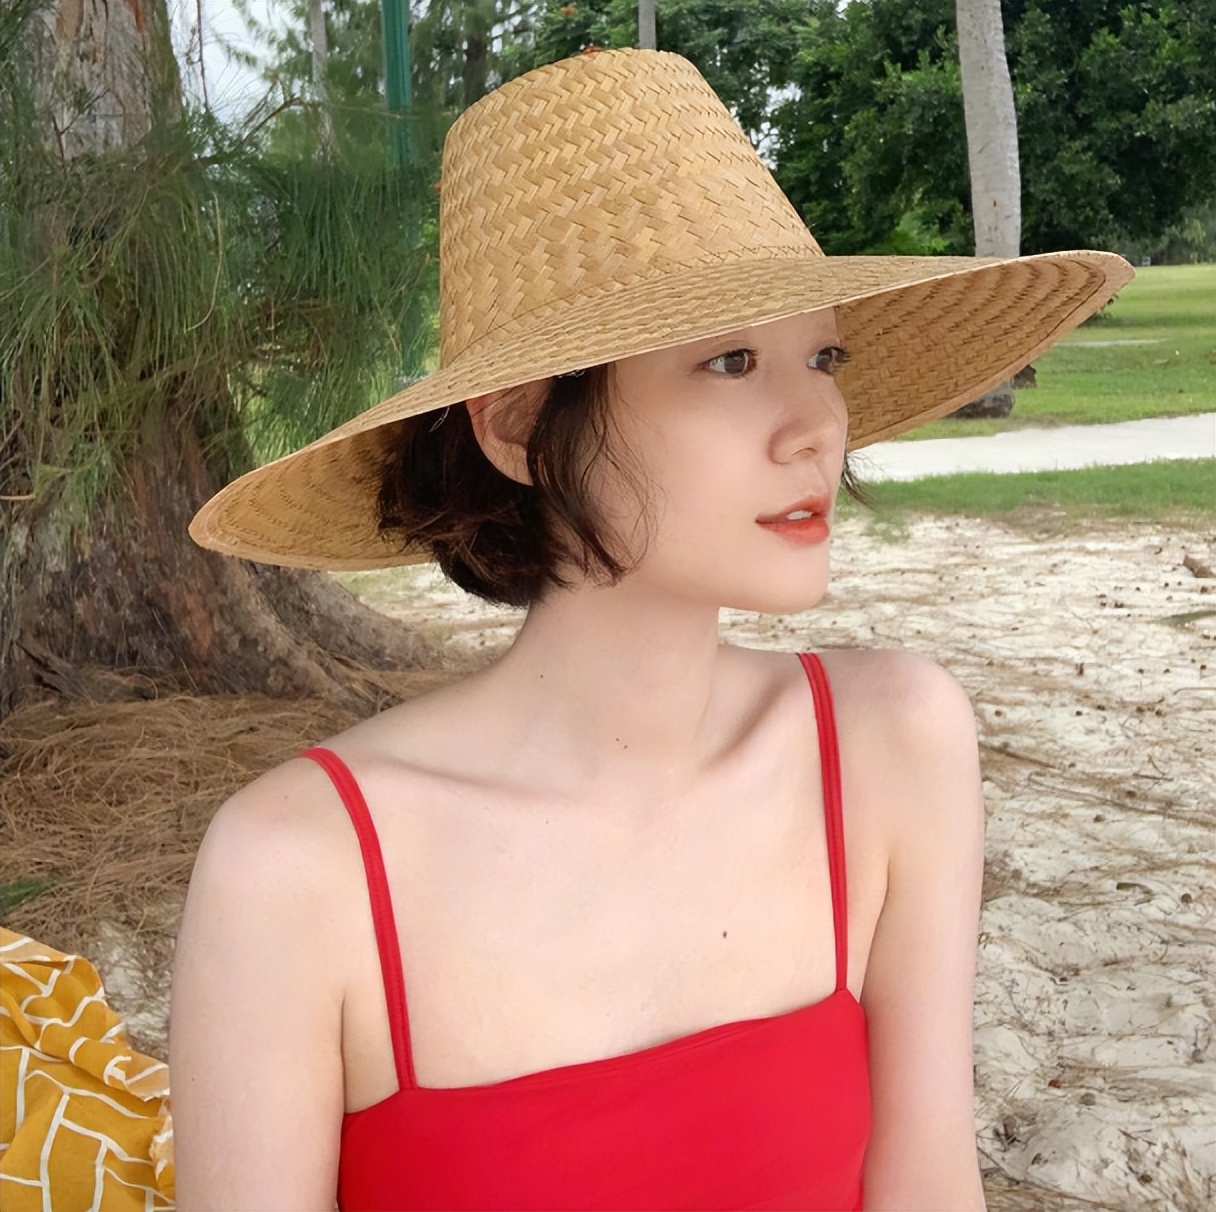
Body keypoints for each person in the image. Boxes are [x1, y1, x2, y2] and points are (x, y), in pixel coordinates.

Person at [171, 49, 1131, 1211]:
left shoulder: (891, 742)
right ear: (519, 426)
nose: (816, 426)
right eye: (729, 360)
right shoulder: (297, 869)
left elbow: (927, 1183)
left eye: (822, 356)